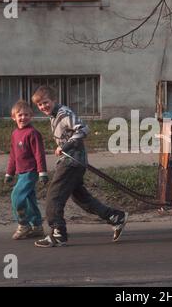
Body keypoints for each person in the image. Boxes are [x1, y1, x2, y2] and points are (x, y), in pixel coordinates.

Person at [31, 86, 128, 248]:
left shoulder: (64, 113)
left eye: (45, 102)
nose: (43, 107)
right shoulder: (54, 115)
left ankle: (58, 234)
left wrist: (66, 147)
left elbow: (83, 129)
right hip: (71, 161)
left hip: (72, 162)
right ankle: (115, 217)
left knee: (54, 197)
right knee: (81, 198)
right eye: (39, 105)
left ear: (54, 100)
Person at [5, 100, 48, 240]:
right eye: (20, 115)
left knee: (16, 197)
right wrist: (9, 172)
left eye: (27, 115)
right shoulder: (15, 133)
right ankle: (37, 226)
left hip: (31, 171)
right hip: (21, 172)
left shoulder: (33, 133)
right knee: (30, 200)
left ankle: (23, 224)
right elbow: (13, 155)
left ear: (31, 116)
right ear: (14, 117)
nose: (23, 118)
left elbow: (39, 154)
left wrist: (42, 172)